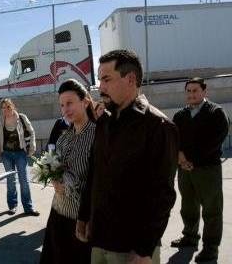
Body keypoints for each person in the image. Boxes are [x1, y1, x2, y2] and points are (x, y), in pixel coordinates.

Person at [77, 49, 178, 264]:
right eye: (99, 80)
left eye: (106, 79)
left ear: (130, 79)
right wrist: (84, 216)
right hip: (99, 239)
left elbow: (164, 195)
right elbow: (94, 172)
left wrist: (145, 249)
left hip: (131, 249)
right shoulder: (104, 121)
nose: (100, 88)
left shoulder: (158, 126)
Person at [171, 77, 229, 262]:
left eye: (195, 90)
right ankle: (190, 238)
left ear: (205, 92)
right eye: (188, 91)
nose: (191, 94)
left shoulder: (215, 113)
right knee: (188, 206)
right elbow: (174, 139)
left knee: (212, 210)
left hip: (207, 170)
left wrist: (192, 160)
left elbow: (215, 140)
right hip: (185, 171)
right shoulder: (180, 115)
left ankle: (211, 248)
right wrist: (180, 157)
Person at [40, 79, 96, 264]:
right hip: (58, 214)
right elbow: (53, 164)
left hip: (81, 221)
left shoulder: (98, 136)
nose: (65, 109)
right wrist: (51, 175)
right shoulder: (64, 137)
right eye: (62, 105)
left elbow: (99, 181)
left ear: (85, 101)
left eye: (70, 103)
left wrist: (68, 183)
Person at [0, 98, 40, 216]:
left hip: (21, 153)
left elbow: (31, 132)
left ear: (13, 106)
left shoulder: (21, 117)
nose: (6, 110)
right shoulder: (0, 120)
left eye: (8, 107)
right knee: (10, 181)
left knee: (24, 180)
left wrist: (32, 146)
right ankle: (12, 206)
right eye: (4, 108)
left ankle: (28, 207)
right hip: (6, 154)